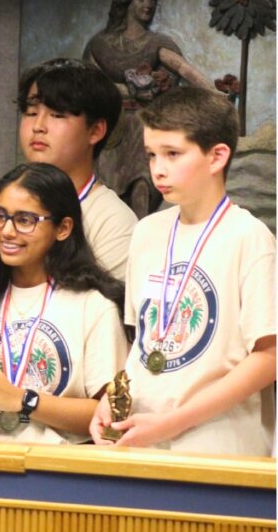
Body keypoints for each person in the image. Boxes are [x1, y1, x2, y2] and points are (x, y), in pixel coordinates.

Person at [90, 88, 275, 455]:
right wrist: (113, 397)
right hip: (142, 433)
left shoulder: (249, 237)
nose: (158, 169)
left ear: (217, 156)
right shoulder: (147, 231)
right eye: (151, 154)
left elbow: (269, 357)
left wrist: (174, 421)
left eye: (173, 154)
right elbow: (145, 343)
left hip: (219, 442)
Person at [0, 162, 127, 443]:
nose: (6, 231)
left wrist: (22, 400)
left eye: (25, 220)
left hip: (62, 463)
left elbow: (109, 415)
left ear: (63, 228)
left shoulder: (94, 306)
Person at [0, 58, 136, 307]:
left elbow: (107, 315)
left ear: (95, 131)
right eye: (31, 113)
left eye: (57, 115)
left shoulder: (115, 222)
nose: (38, 126)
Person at [83, 0, 214, 217]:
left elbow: (184, 69)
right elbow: (87, 85)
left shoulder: (157, 43)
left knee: (143, 183)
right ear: (127, 1)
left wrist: (214, 93)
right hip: (112, 130)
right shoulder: (100, 45)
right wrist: (127, 89)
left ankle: (141, 231)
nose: (149, 5)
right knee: (105, 193)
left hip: (145, 129)